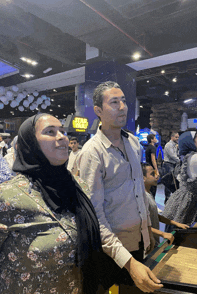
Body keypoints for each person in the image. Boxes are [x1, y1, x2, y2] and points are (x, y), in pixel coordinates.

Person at [0, 114, 119, 294]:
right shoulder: (2, 199)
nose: (62, 136)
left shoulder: (77, 188)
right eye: (50, 132)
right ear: (30, 144)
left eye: (62, 131)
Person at [77, 81, 163, 293]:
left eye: (124, 101)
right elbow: (95, 215)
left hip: (139, 241)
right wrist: (128, 261)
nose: (122, 107)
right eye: (114, 102)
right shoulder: (92, 152)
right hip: (112, 250)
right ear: (98, 110)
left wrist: (147, 230)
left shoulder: (134, 142)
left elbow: (138, 192)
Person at [142, 163, 189, 247]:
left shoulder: (148, 194)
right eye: (153, 174)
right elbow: (142, 226)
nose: (157, 176)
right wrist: (163, 234)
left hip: (153, 239)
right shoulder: (143, 197)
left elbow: (155, 216)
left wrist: (175, 223)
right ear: (143, 178)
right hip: (147, 243)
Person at [163, 130, 197, 232]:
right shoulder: (194, 157)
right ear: (189, 141)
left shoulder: (187, 157)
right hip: (190, 202)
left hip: (183, 199)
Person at [162, 132, 180, 203]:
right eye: (176, 137)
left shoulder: (175, 145)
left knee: (173, 182)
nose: (177, 138)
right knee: (169, 181)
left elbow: (176, 154)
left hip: (173, 165)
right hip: (168, 165)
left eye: (178, 137)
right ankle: (167, 199)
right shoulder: (169, 145)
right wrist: (180, 161)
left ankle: (172, 198)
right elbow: (172, 156)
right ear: (172, 137)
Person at [145, 134, 159, 198]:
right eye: (155, 138)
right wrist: (156, 170)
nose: (156, 139)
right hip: (152, 169)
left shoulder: (148, 147)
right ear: (152, 140)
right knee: (153, 186)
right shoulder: (152, 148)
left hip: (148, 168)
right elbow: (153, 160)